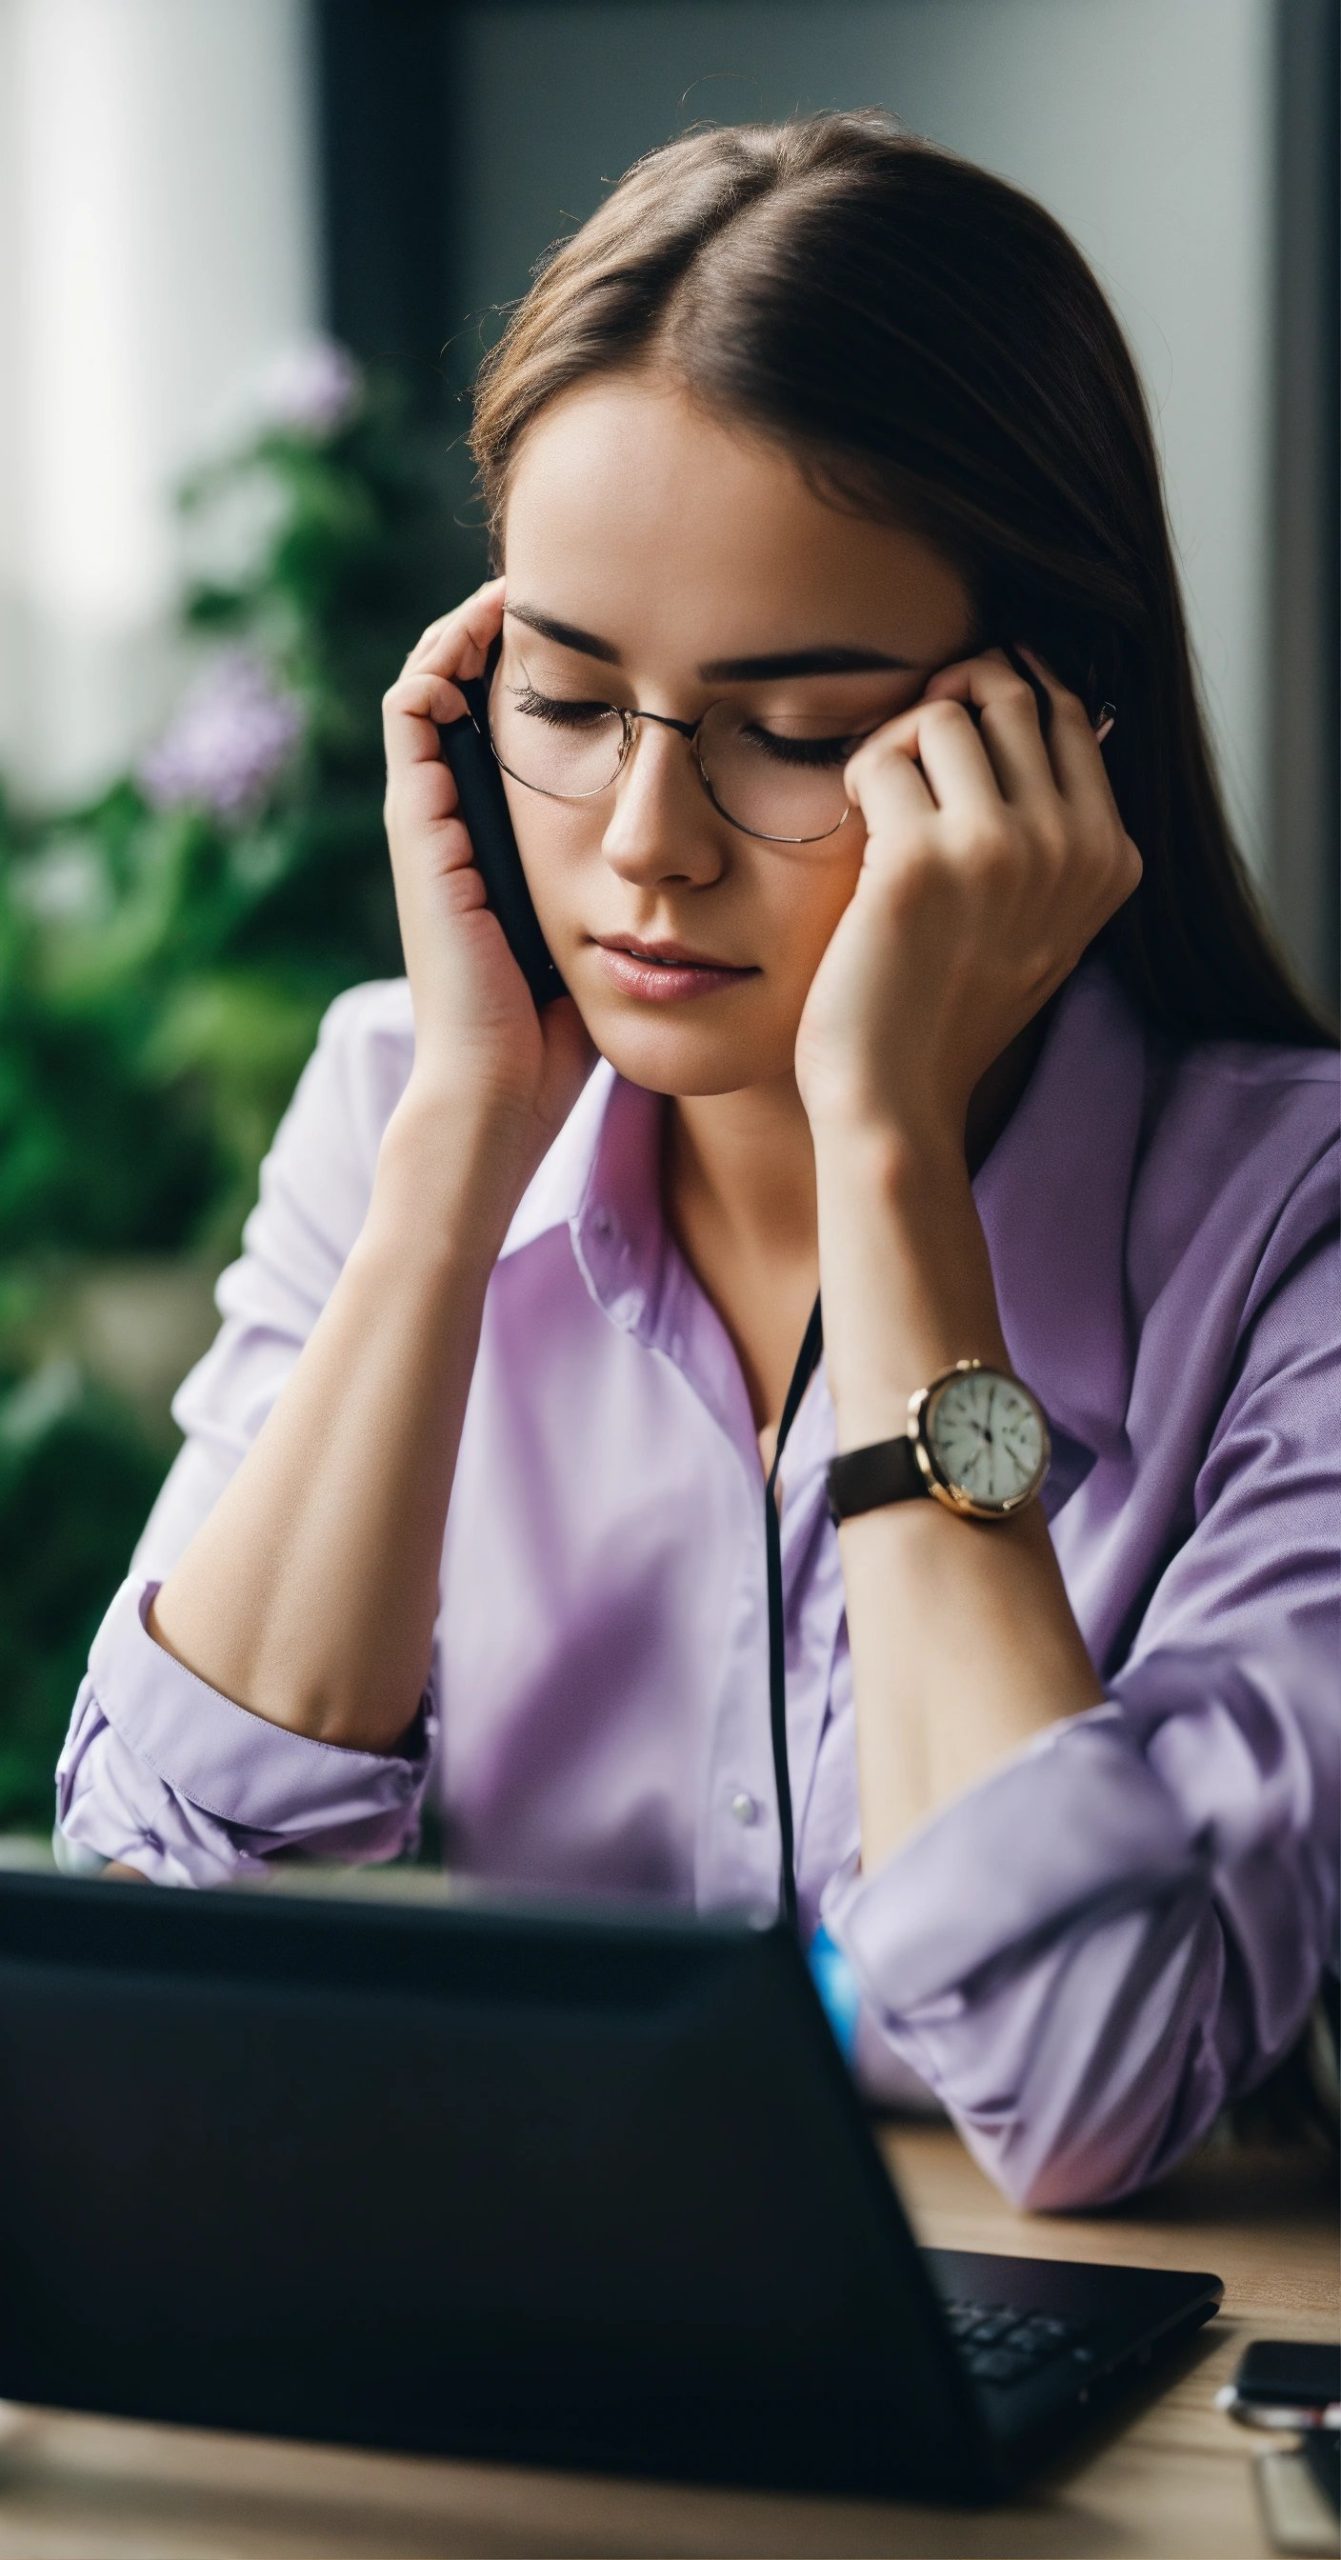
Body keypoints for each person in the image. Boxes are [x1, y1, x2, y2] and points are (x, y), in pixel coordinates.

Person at [55, 110, 1338, 2212]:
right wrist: (457, 1151)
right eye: (563, 696)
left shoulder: (1292, 1231)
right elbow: (163, 1891)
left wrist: (893, 1157)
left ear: (1049, 721)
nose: (643, 842)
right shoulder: (406, 1102)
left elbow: (1079, 2078)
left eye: (793, 729)